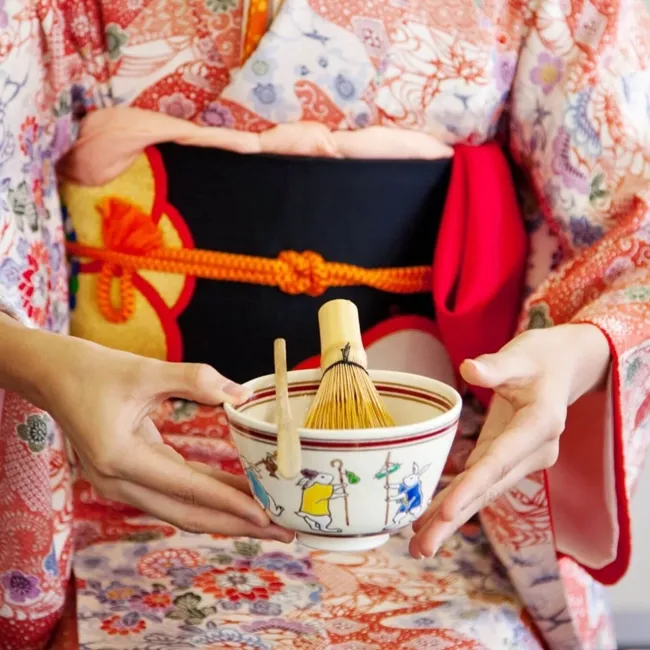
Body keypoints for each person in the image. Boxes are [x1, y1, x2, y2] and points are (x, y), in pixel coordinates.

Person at [0, 0, 648, 648]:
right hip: (123, 452)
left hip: (427, 473)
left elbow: (636, 213)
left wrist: (583, 351)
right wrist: (31, 360)